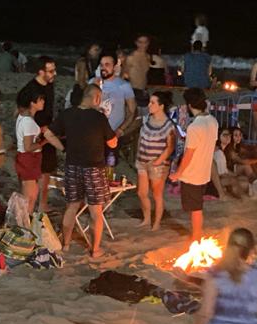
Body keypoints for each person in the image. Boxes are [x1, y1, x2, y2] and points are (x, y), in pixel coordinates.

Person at [42, 84, 117, 258]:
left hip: (72, 166)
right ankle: (95, 249)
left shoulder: (67, 114)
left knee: (71, 206)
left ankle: (66, 245)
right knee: (95, 211)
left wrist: (63, 148)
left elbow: (48, 134)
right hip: (94, 168)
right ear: (96, 98)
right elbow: (113, 143)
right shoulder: (99, 117)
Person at [169, 88, 219, 243]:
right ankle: (196, 235)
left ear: (190, 105)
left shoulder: (195, 127)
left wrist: (177, 173)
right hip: (204, 172)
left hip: (193, 174)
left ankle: (197, 238)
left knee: (195, 209)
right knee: (196, 207)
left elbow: (189, 155)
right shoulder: (213, 121)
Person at [135, 91, 176, 230]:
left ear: (161, 106)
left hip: (158, 164)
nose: (149, 105)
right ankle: (146, 219)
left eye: (153, 103)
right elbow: (141, 137)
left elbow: (170, 147)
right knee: (141, 192)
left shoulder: (168, 125)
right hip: (143, 160)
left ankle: (156, 223)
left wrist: (159, 161)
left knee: (157, 194)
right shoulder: (147, 119)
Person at [22, 57, 59, 211]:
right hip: (35, 131)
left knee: (47, 169)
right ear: (41, 71)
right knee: (32, 171)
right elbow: (22, 110)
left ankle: (42, 204)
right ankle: (29, 205)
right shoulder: (31, 89)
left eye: (54, 70)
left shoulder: (50, 85)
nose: (54, 73)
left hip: (47, 129)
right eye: (51, 71)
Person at [93, 53, 137, 161]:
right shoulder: (93, 83)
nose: (104, 68)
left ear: (114, 66)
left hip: (112, 135)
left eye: (107, 65)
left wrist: (120, 130)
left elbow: (132, 111)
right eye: (102, 65)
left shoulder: (124, 86)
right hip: (93, 135)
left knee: (109, 168)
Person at [15, 83, 47, 211]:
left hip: (26, 160)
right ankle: (25, 227)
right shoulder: (28, 121)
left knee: (30, 194)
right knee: (29, 198)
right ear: (33, 103)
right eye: (41, 100)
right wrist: (45, 142)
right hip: (29, 160)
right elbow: (28, 146)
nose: (43, 102)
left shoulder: (23, 117)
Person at [123, 35, 151, 108]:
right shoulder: (130, 58)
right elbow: (123, 75)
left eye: (145, 42)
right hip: (132, 90)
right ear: (136, 43)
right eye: (140, 42)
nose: (143, 45)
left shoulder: (148, 57)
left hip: (143, 90)